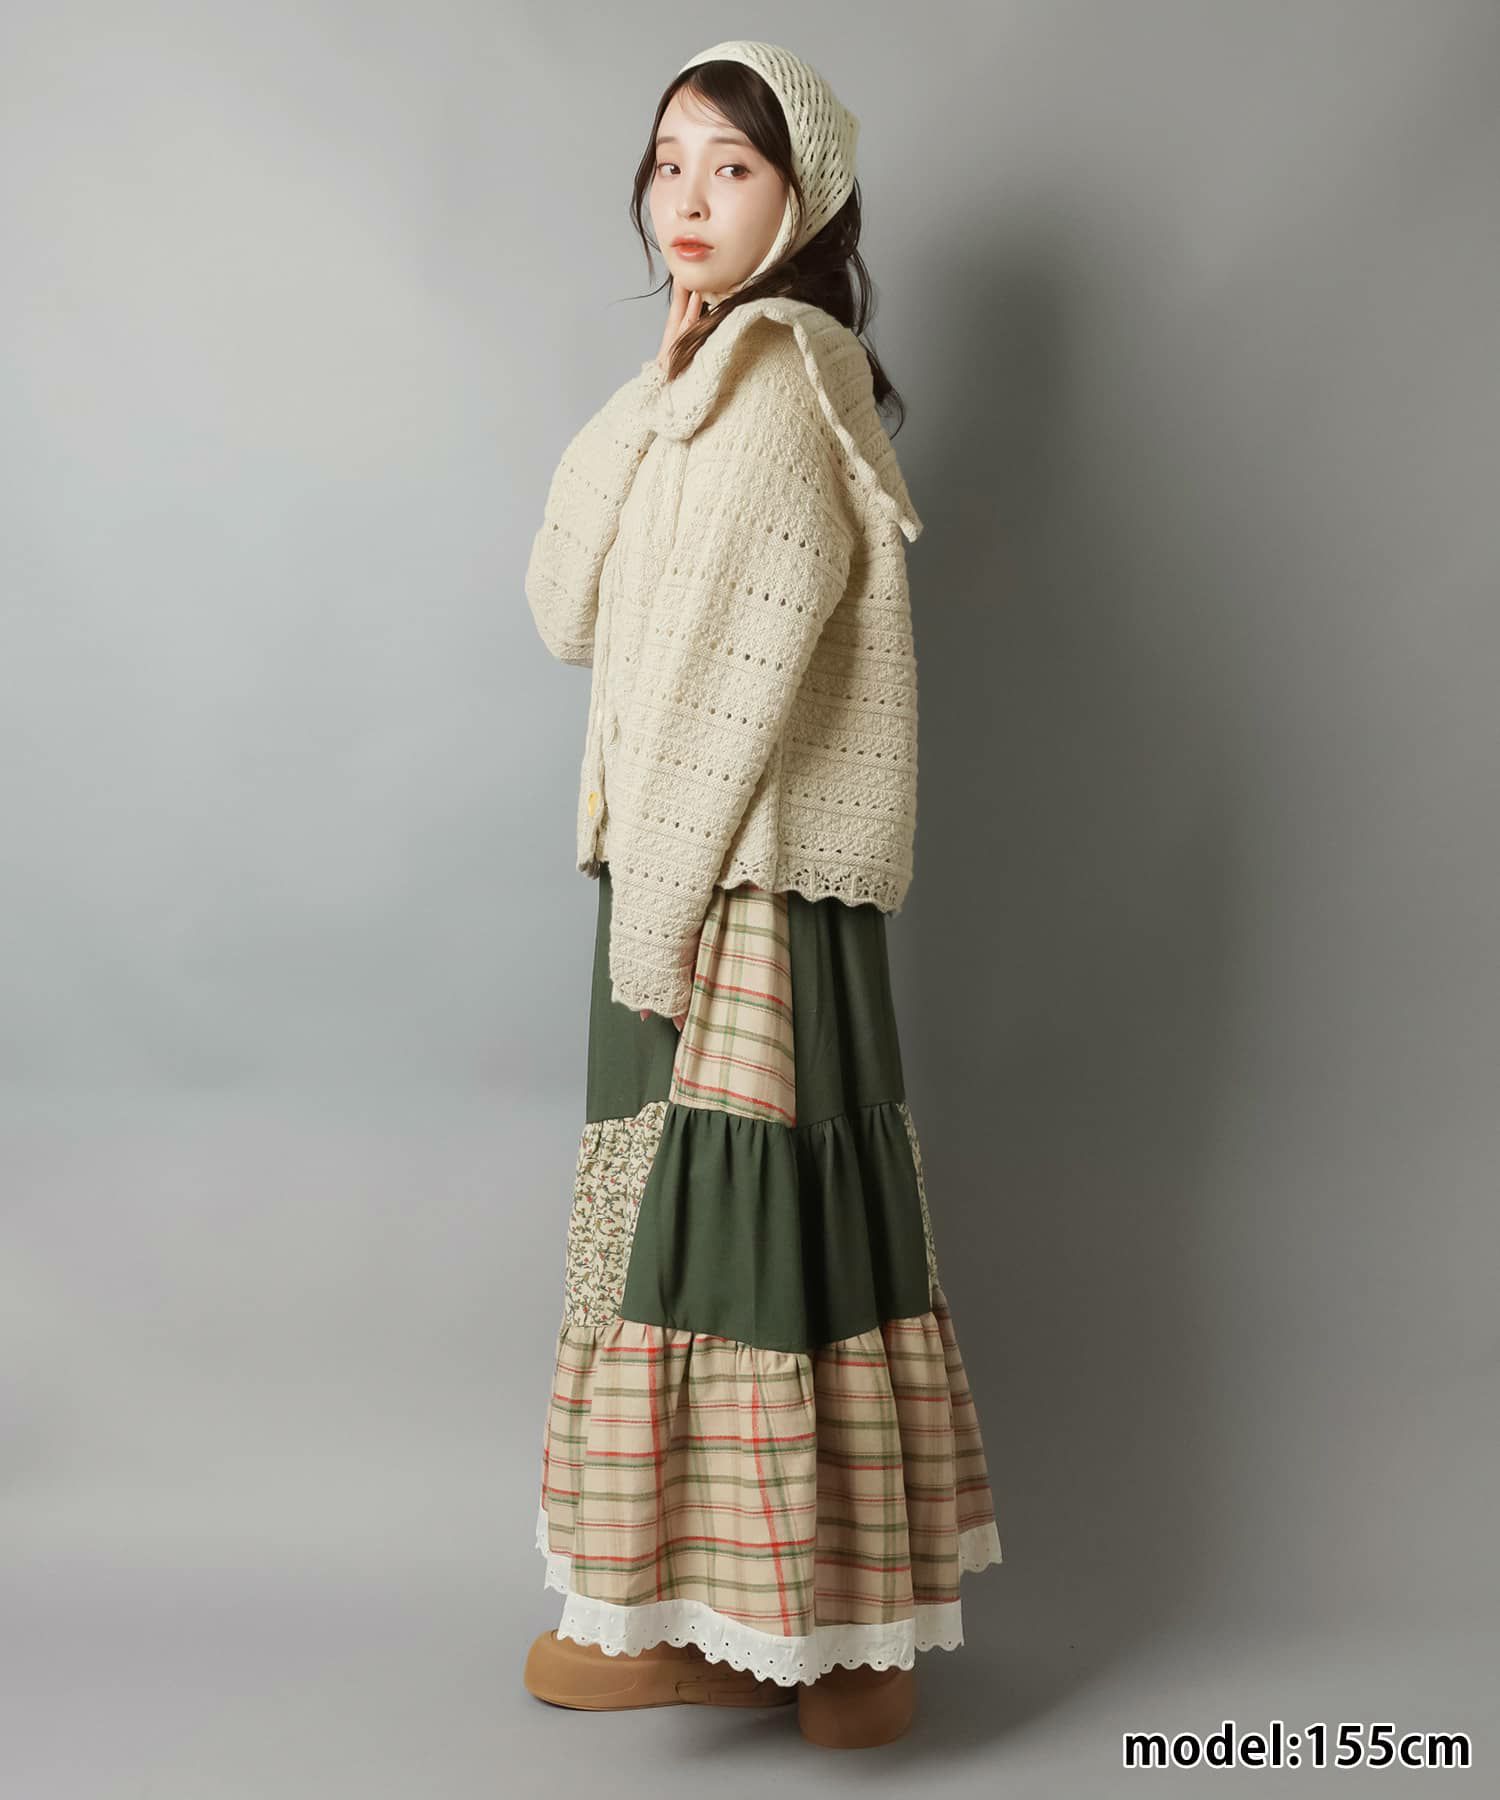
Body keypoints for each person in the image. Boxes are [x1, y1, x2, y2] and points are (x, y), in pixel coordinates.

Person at [520, 39, 1002, 1749]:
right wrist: (652, 381)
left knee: (736, 1240)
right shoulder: (707, 388)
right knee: (719, 1240)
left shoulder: (787, 384)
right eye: (668, 162)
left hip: (738, 878)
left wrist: (656, 922)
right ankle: (756, 1626)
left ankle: (824, 1641)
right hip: (689, 863)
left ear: (805, 199)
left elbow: (730, 693)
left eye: (729, 165)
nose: (688, 197)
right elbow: (561, 606)